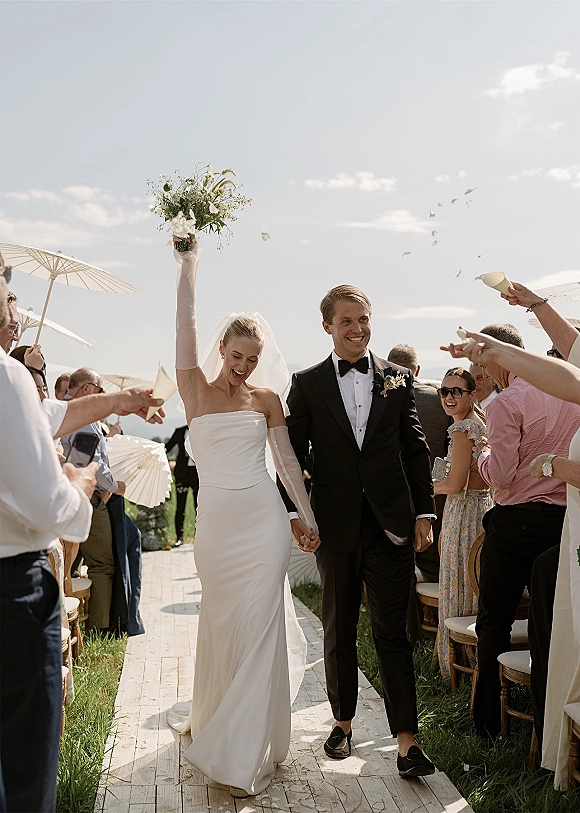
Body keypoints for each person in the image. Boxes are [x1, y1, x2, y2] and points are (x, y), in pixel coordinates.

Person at [165, 237, 320, 797]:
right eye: (237, 357)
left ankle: (242, 751)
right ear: (221, 349)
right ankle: (213, 721)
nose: (244, 367)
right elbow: (183, 326)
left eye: (253, 360)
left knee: (261, 629)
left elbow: (285, 463)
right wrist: (188, 264)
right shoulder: (195, 390)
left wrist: (304, 518)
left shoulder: (267, 400)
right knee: (223, 623)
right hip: (218, 529)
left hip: (262, 521)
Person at [281, 285, 436, 776]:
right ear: (327, 326)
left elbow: (414, 450)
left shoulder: (397, 379)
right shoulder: (306, 384)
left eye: (364, 319)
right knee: (339, 627)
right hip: (336, 527)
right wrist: (295, 513)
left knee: (393, 632)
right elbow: (289, 458)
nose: (358, 329)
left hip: (392, 524)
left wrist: (423, 514)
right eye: (347, 321)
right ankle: (343, 724)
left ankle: (407, 743)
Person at [443, 323, 580, 742]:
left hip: (514, 523)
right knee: (548, 628)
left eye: (480, 364)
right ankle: (548, 724)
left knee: (495, 622)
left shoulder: (506, 404)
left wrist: (483, 457)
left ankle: (487, 723)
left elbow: (499, 477)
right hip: (562, 524)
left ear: (498, 359)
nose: (479, 373)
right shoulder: (569, 394)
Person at [0, 274, 97, 813]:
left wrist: (118, 400)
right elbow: (47, 506)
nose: (16, 301)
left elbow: (47, 418)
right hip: (13, 586)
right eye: (7, 289)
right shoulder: (7, 375)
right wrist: (80, 484)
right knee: (26, 773)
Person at [433, 368, 493, 678]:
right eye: (444, 391)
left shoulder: (462, 429)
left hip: (462, 512)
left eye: (457, 391)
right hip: (480, 512)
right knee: (473, 584)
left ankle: (456, 667)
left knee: (457, 584)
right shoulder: (479, 425)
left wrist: (430, 487)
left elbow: (455, 484)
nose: (449, 397)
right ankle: (472, 662)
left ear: (471, 395)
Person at [61, 368, 126, 633]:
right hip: (87, 496)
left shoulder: (59, 410)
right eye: (100, 391)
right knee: (101, 565)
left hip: (65, 494)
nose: (101, 397)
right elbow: (91, 458)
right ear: (88, 389)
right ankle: (99, 630)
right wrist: (113, 486)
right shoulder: (84, 415)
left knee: (71, 564)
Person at [165, 425, 200, 547]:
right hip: (182, 473)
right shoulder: (179, 431)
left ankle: (199, 537)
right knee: (180, 506)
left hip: (198, 474)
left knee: (199, 507)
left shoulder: (202, 428)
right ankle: (179, 537)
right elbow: (167, 448)